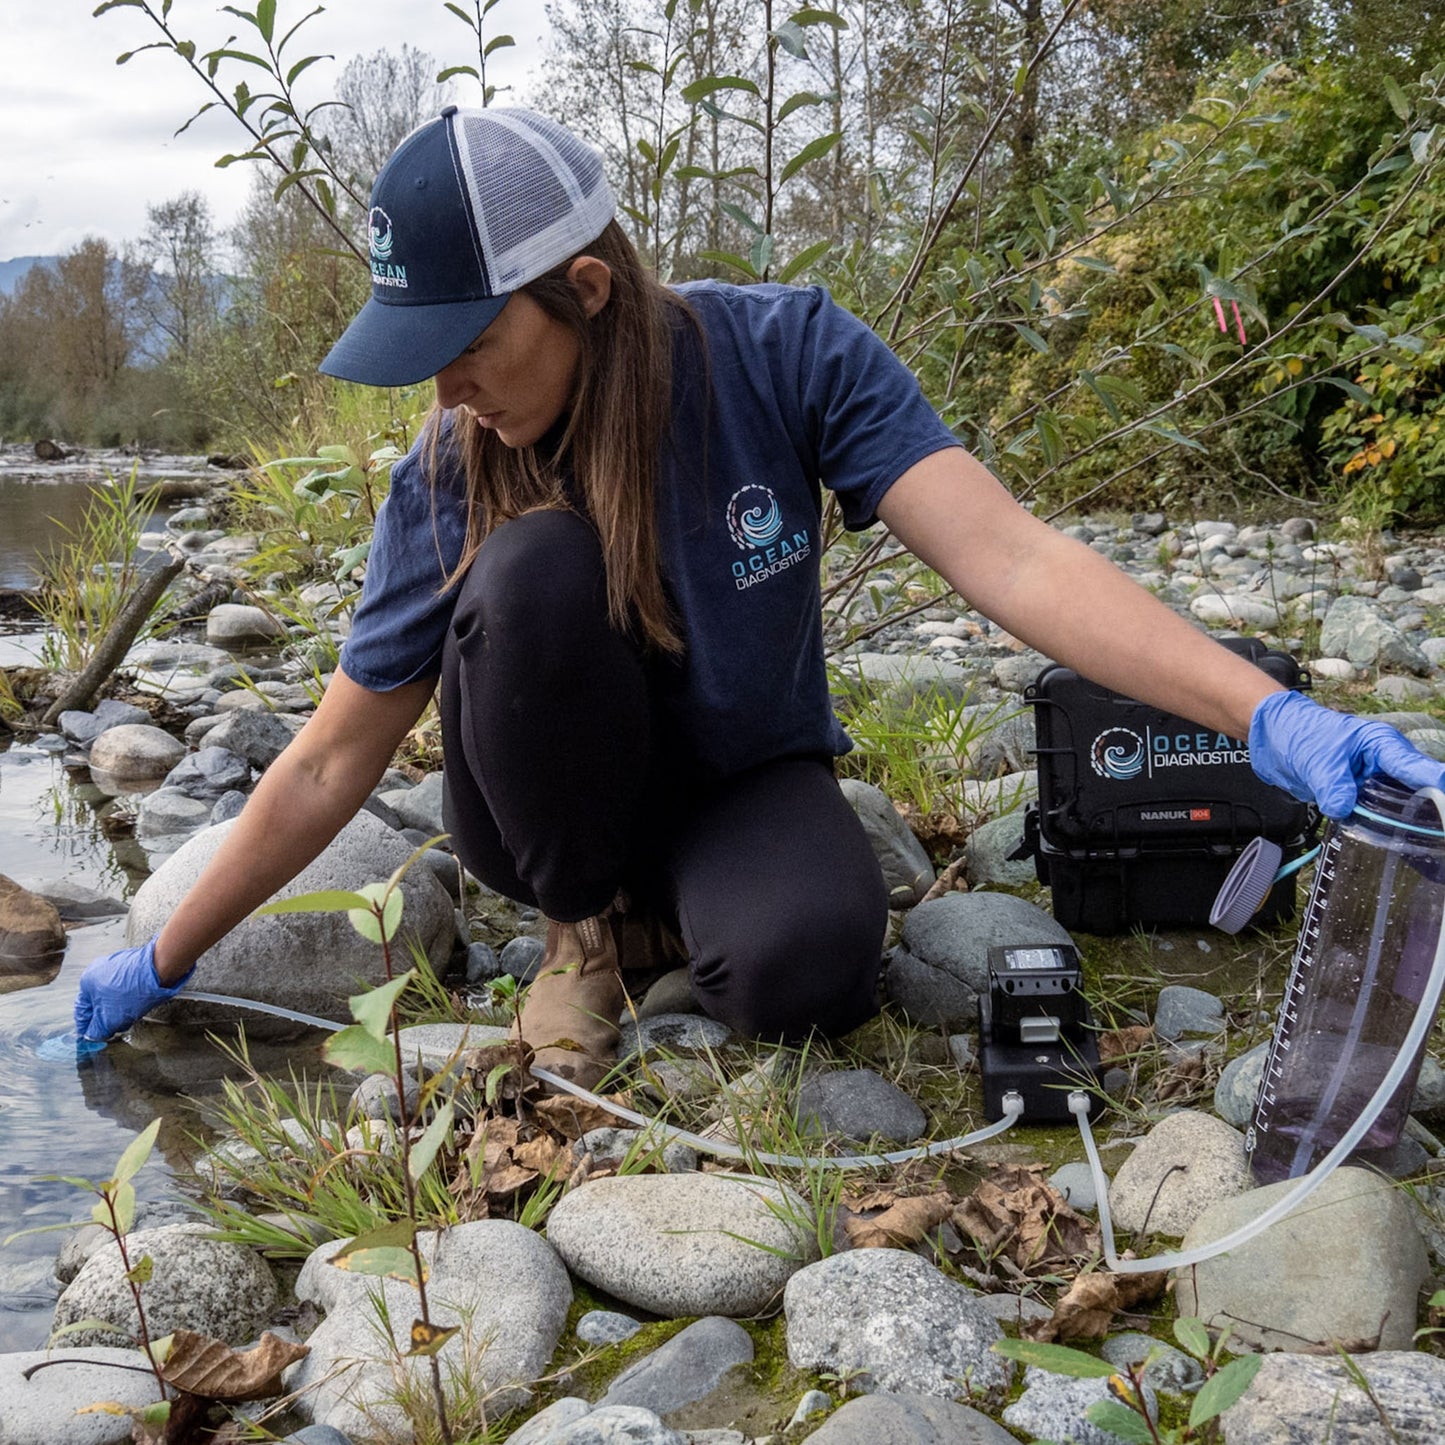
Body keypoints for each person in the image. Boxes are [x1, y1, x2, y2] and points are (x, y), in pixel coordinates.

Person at [75, 106, 1445, 1088]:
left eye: (470, 343)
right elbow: (329, 760)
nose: (448, 390)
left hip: (741, 778)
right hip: (545, 808)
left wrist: (1273, 719)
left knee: (806, 972)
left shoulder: (787, 354)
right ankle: (582, 934)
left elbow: (1011, 557)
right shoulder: (450, 466)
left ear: (585, 289)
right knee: (536, 567)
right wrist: (168, 955)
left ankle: (681, 917)